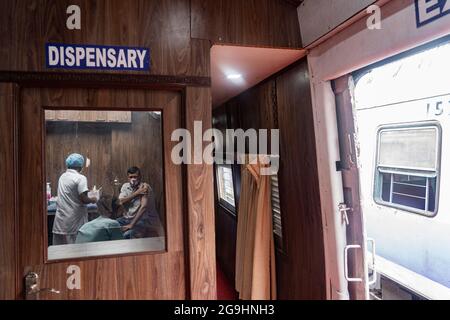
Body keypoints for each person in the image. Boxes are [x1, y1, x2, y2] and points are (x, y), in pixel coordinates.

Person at [52, 153, 97, 245]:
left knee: (59, 251)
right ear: (80, 166)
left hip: (61, 221)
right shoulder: (81, 178)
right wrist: (93, 199)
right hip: (74, 222)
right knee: (75, 251)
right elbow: (83, 199)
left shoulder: (62, 177)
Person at [117, 166, 163, 239]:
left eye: (135, 177)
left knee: (128, 235)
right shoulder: (125, 186)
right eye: (131, 177)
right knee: (112, 225)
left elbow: (143, 207)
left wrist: (131, 225)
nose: (133, 179)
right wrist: (137, 193)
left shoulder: (144, 187)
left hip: (142, 220)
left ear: (140, 177)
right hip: (127, 218)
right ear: (128, 177)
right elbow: (121, 201)